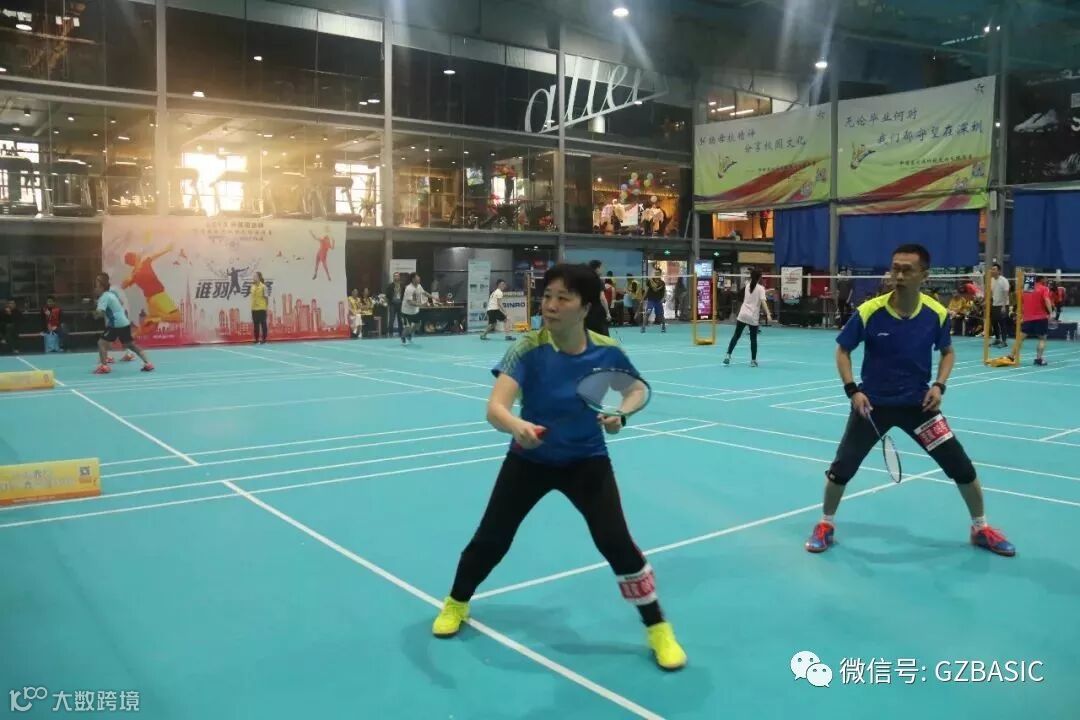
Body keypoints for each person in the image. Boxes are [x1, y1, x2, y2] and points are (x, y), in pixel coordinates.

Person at [431, 263, 687, 671]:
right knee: (491, 539)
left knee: (616, 543)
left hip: (587, 461)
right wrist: (517, 426)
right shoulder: (527, 348)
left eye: (562, 298)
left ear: (585, 307)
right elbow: (495, 408)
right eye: (547, 296)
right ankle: (456, 602)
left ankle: (658, 628)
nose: (550, 305)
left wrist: (622, 413)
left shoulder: (606, 350)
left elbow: (637, 389)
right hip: (529, 459)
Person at [805, 244, 1014, 557]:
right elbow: (843, 350)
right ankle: (825, 524)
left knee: (961, 466)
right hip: (872, 407)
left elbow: (947, 352)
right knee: (841, 468)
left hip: (920, 407)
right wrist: (853, 391)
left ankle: (981, 528)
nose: (899, 275)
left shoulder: (936, 314)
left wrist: (939, 386)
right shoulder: (870, 311)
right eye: (895, 269)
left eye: (907, 270)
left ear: (923, 276)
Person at [93, 273, 153, 374]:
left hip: (115, 323)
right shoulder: (112, 294)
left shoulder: (104, 297)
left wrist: (93, 313)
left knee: (101, 343)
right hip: (124, 322)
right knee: (130, 345)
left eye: (97, 285)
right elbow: (120, 303)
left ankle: (104, 366)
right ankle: (148, 363)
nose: (95, 287)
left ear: (101, 286)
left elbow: (100, 313)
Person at [723, 269, 771, 367]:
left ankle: (728, 355)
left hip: (743, 314)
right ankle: (753, 361)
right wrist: (768, 314)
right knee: (753, 339)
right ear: (760, 278)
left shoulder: (748, 286)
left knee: (736, 335)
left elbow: (753, 294)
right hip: (752, 316)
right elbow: (763, 302)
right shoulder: (761, 288)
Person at [1006, 274, 1054, 366]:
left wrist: (1019, 314)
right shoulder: (1044, 288)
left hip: (1028, 318)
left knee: (1020, 338)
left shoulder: (1026, 289)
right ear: (1042, 279)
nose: (1046, 280)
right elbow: (1047, 300)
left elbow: (1020, 301)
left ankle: (1011, 356)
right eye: (1045, 279)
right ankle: (1039, 359)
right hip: (1041, 318)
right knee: (1042, 339)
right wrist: (1051, 313)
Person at [400, 272, 428, 344]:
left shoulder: (419, 286)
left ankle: (409, 334)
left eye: (419, 277)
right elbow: (410, 302)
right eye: (417, 277)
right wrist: (421, 305)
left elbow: (424, 293)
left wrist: (433, 297)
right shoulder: (409, 288)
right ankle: (403, 336)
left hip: (414, 311)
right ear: (413, 279)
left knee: (418, 325)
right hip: (406, 311)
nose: (419, 278)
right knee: (408, 327)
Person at [585, 260, 611, 335]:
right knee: (603, 336)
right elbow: (602, 298)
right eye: (601, 268)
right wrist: (607, 312)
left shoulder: (584, 280)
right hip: (597, 312)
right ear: (597, 268)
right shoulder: (598, 280)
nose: (602, 269)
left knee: (589, 335)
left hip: (586, 312)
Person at [988, 264, 1010, 348]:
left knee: (1002, 323)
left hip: (1003, 305)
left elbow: (1006, 294)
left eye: (994, 269)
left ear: (999, 271)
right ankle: (997, 339)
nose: (992, 271)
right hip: (994, 305)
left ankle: (1004, 341)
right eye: (992, 269)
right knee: (994, 322)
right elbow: (991, 293)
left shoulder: (1004, 280)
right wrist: (987, 302)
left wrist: (1004, 306)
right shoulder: (991, 280)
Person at [642, 269, 667, 333]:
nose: (656, 274)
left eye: (658, 273)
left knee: (660, 315)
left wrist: (663, 298)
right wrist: (643, 298)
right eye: (656, 273)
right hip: (651, 300)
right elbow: (646, 290)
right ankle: (643, 327)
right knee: (647, 313)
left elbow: (663, 291)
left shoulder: (662, 283)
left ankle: (663, 327)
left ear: (660, 274)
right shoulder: (650, 281)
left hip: (658, 301)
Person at [250, 271, 268, 344]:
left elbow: (266, 298)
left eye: (255, 276)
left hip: (261, 308)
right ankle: (256, 339)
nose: (253, 278)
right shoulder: (252, 286)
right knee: (255, 324)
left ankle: (264, 339)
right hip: (254, 308)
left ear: (259, 277)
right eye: (253, 276)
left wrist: (266, 307)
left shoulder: (263, 287)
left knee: (263, 324)